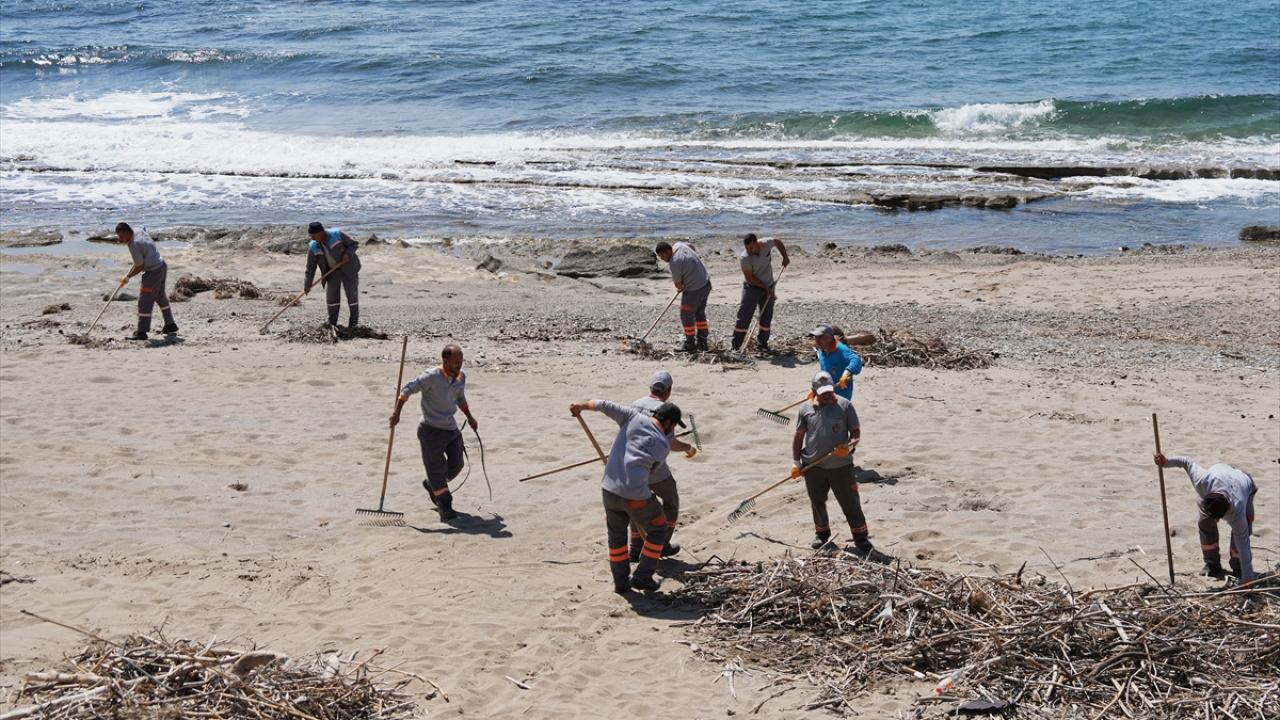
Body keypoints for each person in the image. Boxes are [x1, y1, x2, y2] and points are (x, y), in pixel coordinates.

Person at [569, 397, 685, 593]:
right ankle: (643, 576)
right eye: (673, 427)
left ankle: (621, 583)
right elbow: (652, 473)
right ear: (668, 422)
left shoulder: (631, 416)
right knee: (658, 530)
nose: (672, 431)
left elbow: (603, 405)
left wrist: (580, 407)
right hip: (635, 496)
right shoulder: (663, 445)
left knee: (616, 538)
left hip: (608, 490)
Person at [390, 344, 479, 521]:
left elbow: (460, 398)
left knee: (457, 464)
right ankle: (444, 505)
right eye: (455, 362)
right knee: (437, 470)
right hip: (430, 431)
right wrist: (396, 413)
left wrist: (470, 416)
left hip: (451, 429)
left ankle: (433, 484)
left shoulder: (461, 376)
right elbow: (407, 390)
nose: (459, 366)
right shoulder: (431, 376)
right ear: (445, 361)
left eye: (461, 362)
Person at [792, 371, 871, 554]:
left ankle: (861, 537)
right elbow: (798, 436)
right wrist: (797, 463)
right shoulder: (805, 409)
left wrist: (849, 447)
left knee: (850, 502)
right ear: (814, 391)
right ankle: (822, 534)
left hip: (841, 466)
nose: (828, 395)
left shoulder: (844, 405)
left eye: (829, 391)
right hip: (813, 466)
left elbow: (856, 433)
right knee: (817, 501)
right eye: (823, 393)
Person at [1154, 453, 1258, 581]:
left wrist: (1248, 577)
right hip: (1217, 477)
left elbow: (1243, 544)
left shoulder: (1238, 506)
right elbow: (1185, 461)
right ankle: (1212, 564)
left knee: (1243, 529)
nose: (1217, 521)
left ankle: (1238, 567)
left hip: (1243, 483)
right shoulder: (1202, 481)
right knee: (1205, 522)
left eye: (1218, 518)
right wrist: (1165, 462)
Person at [630, 370, 696, 561]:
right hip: (654, 467)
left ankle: (635, 548)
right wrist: (688, 448)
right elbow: (670, 444)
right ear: (668, 390)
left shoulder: (636, 404)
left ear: (651, 387)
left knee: (636, 505)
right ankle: (661, 544)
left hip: (631, 463)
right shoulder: (665, 410)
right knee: (670, 502)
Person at [114, 223, 177, 340]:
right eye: (118, 236)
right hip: (162, 266)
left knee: (144, 301)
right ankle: (170, 325)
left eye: (121, 236)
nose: (120, 239)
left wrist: (128, 277)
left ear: (128, 232)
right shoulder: (137, 229)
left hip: (153, 272)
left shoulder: (134, 244)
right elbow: (143, 227)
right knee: (160, 297)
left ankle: (142, 332)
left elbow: (140, 266)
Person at [732, 233, 789, 352]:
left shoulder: (766, 244)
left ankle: (762, 343)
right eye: (747, 248)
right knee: (744, 315)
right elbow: (749, 278)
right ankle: (736, 345)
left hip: (768, 284)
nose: (749, 251)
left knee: (766, 316)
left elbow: (777, 241)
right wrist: (764, 288)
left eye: (751, 248)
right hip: (752, 287)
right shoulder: (745, 258)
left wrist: (785, 257)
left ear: (757, 243)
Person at [655, 241, 712, 352]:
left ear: (667, 251)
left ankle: (690, 344)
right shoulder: (679, 245)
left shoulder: (675, 262)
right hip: (706, 283)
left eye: (662, 256)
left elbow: (678, 284)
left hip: (694, 290)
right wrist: (690, 265)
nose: (662, 259)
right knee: (699, 313)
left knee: (686, 316)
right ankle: (702, 342)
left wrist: (680, 287)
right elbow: (692, 246)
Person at [303, 221, 362, 328]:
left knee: (351, 295)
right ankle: (332, 324)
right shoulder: (313, 246)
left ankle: (353, 323)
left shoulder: (337, 234)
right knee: (332, 298)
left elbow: (354, 244)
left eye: (313, 235)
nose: (312, 238)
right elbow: (310, 268)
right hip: (331, 271)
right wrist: (307, 285)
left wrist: (347, 255)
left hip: (349, 268)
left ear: (320, 233)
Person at [809, 324, 863, 401]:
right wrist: (816, 390)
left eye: (821, 337)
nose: (817, 340)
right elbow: (824, 372)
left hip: (842, 390)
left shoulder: (840, 349)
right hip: (828, 390)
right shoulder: (821, 351)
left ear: (830, 337)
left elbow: (855, 360)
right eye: (816, 337)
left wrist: (845, 374)